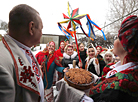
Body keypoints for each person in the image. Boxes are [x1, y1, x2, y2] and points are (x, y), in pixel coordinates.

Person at [0, 4, 44, 102]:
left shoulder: (25, 48)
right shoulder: (2, 65)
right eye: (41, 28)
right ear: (31, 28)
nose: (41, 33)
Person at [89, 15, 138, 102]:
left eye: (118, 37)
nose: (115, 41)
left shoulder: (122, 82)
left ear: (126, 44)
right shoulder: (117, 67)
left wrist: (77, 96)